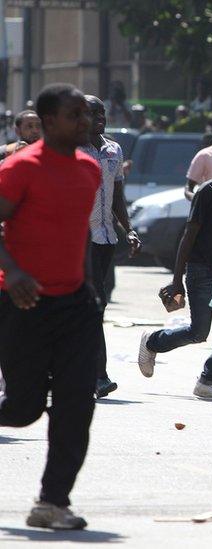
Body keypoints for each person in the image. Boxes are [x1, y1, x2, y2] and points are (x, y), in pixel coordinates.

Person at [0, 84, 102, 530]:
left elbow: (76, 234)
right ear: (48, 122)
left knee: (78, 402)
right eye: (75, 115)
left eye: (87, 114)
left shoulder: (89, 168)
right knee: (23, 409)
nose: (85, 121)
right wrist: (15, 272)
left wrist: (90, 290)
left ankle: (52, 502)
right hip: (23, 302)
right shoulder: (21, 168)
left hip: (75, 304)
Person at [137, 138, 212, 398]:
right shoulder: (209, 192)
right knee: (199, 332)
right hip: (201, 269)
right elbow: (189, 236)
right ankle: (153, 341)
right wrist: (177, 279)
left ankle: (207, 380)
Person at [81, 95, 141, 399]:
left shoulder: (113, 149)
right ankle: (99, 375)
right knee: (94, 306)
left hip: (105, 239)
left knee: (92, 308)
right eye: (93, 112)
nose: (100, 116)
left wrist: (128, 230)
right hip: (79, 241)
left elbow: (117, 195)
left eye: (102, 111)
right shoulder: (72, 150)